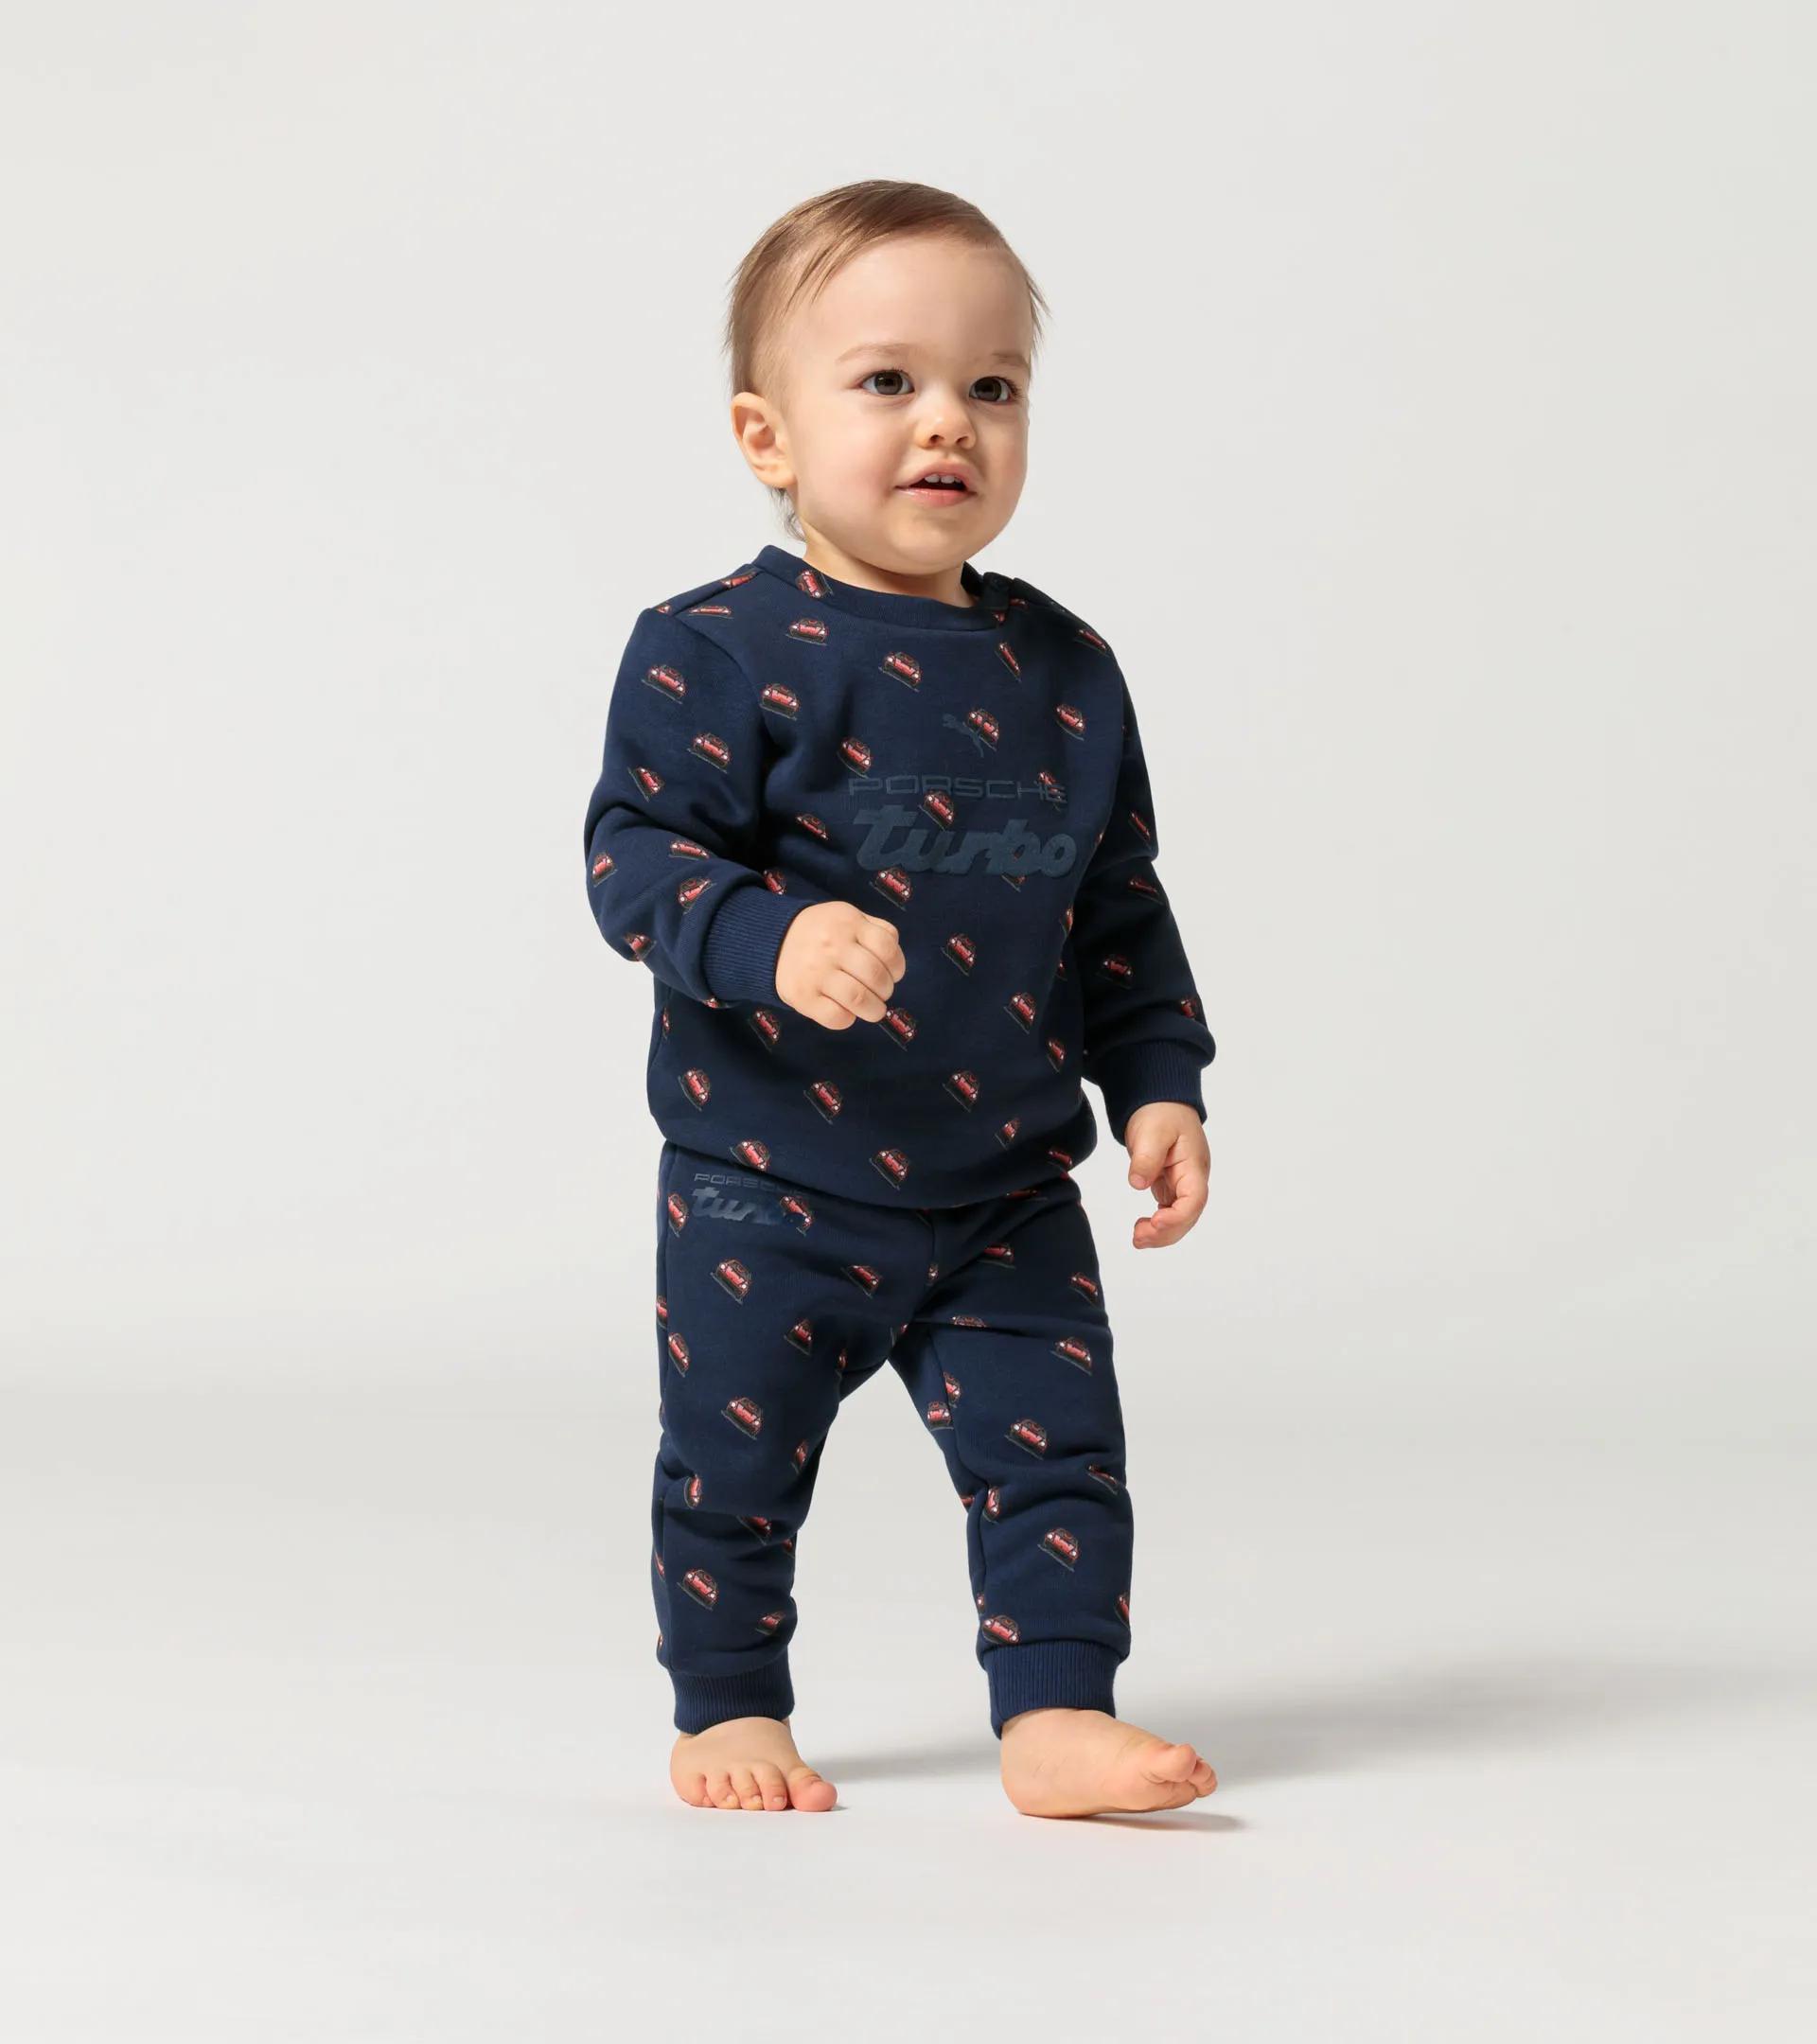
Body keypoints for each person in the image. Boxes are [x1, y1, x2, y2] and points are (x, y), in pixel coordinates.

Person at [581, 179, 1220, 1818]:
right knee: (733, 1472)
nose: (950, 422)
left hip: (1004, 1183)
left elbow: (1118, 904)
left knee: (1058, 1462)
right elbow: (634, 860)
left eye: (992, 386)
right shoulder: (714, 649)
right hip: (766, 1179)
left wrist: (1159, 1082)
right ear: (767, 434)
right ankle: (728, 1707)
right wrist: (766, 935)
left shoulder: (1065, 670)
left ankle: (1056, 1714)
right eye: (889, 382)